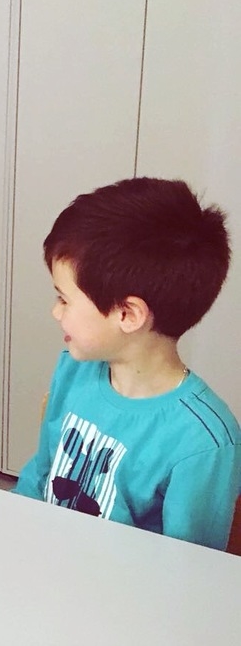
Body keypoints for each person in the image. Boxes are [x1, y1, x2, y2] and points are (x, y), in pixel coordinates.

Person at [14, 177, 241, 550]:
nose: (56, 312)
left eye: (64, 299)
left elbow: (188, 569)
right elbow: (39, 476)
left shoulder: (204, 442)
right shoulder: (73, 368)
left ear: (127, 314)